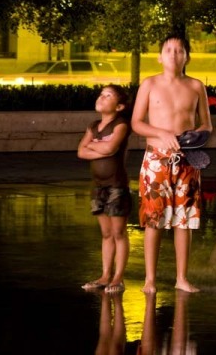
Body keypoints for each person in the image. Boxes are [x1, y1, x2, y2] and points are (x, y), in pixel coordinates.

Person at [131, 34, 213, 294]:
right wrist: (160, 133)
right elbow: (136, 123)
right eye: (169, 50)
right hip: (157, 158)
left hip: (187, 160)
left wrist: (195, 136)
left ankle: (181, 278)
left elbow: (207, 124)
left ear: (187, 56)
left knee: (184, 220)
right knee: (154, 219)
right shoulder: (150, 84)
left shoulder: (196, 86)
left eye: (179, 50)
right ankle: (150, 280)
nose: (174, 54)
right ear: (160, 56)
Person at [78, 84, 132, 294]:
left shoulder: (121, 125)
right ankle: (104, 275)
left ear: (118, 106)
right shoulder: (93, 126)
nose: (101, 97)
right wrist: (100, 148)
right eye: (101, 93)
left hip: (116, 185)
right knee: (106, 232)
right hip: (98, 187)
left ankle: (118, 277)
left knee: (118, 232)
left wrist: (95, 146)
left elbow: (111, 148)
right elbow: (80, 151)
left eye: (108, 95)